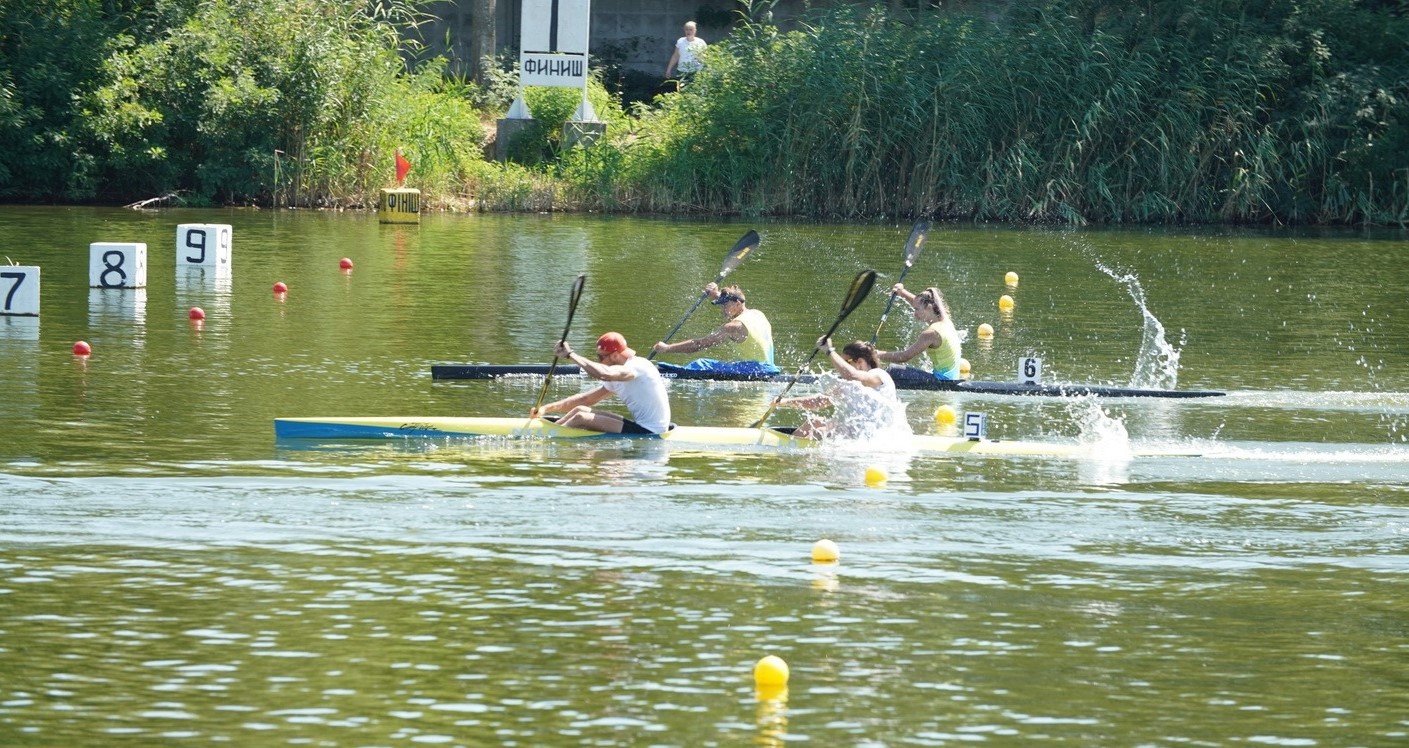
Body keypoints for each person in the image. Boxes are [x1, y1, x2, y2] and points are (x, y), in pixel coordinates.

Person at [531, 332, 672, 435]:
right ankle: (546, 431)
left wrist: (571, 355)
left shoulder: (637, 366)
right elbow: (587, 399)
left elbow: (604, 373)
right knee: (580, 410)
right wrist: (545, 409)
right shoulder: (617, 373)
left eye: (600, 357)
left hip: (651, 431)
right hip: (641, 425)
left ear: (615, 355)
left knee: (582, 418)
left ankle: (547, 439)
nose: (598, 360)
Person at [777, 338, 903, 440]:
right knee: (814, 422)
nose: (841, 367)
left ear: (859, 362)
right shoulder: (850, 385)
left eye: (846, 362)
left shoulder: (879, 375)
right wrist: (784, 402)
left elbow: (852, 375)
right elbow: (820, 401)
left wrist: (829, 351)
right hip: (859, 432)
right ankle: (790, 450)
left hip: (877, 436)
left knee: (820, 429)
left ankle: (792, 450)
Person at [651, 283, 777, 374]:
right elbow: (734, 299)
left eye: (725, 305)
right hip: (770, 368)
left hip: (755, 371)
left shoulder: (733, 327)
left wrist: (667, 348)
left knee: (701, 364)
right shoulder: (758, 314)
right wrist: (715, 294)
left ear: (737, 304)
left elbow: (698, 344)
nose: (723, 310)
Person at [877, 283, 963, 380]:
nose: (914, 314)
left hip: (941, 382)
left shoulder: (931, 333)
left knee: (892, 371)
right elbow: (920, 302)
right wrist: (902, 292)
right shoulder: (945, 320)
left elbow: (904, 356)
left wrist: (876, 354)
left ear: (929, 307)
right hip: (951, 378)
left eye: (916, 309)